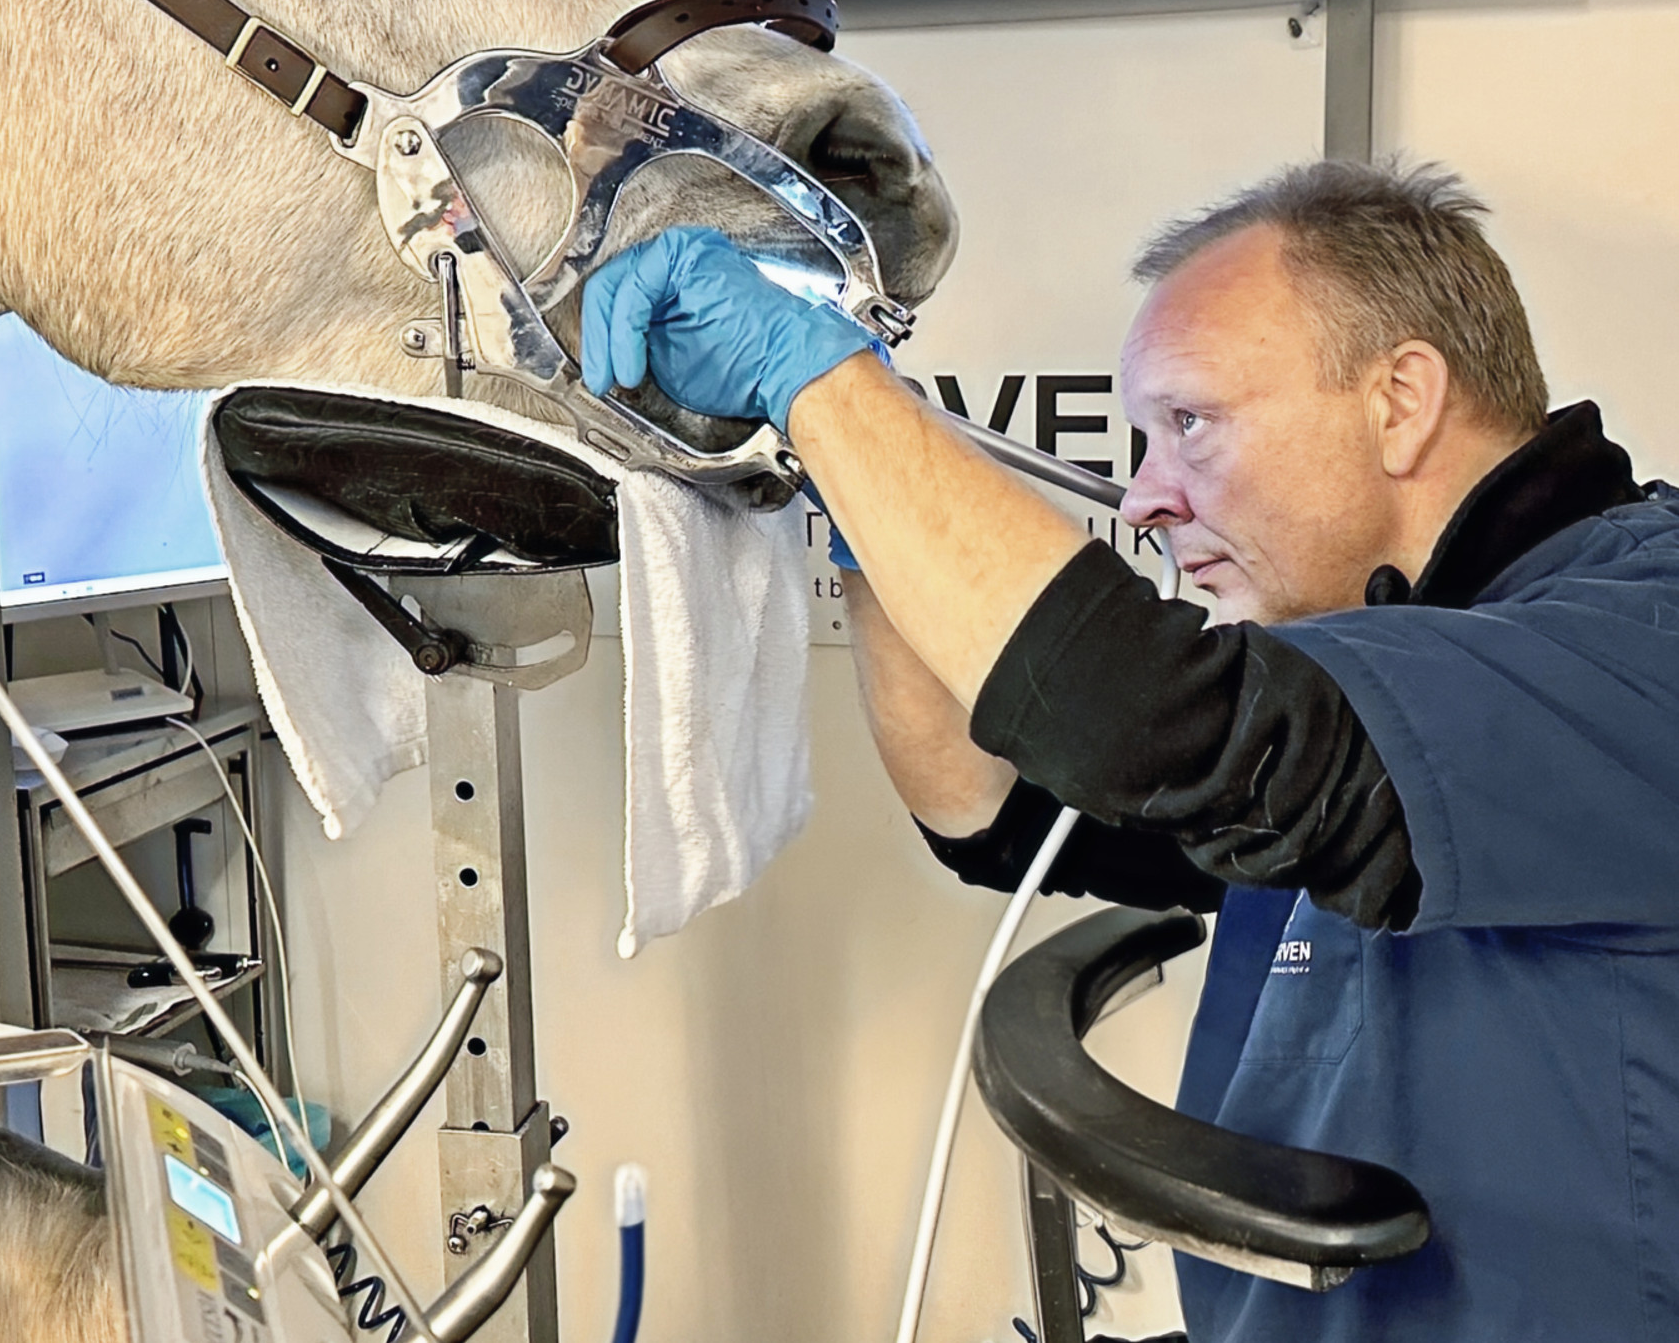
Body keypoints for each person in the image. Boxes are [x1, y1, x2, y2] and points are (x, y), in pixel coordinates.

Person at [578, 160, 1679, 1342]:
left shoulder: (1637, 630)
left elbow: (1162, 720)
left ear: (1399, 400)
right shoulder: (1370, 647)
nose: (1146, 497)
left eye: (1189, 425)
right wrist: (868, 521)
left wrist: (827, 389)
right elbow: (990, 808)